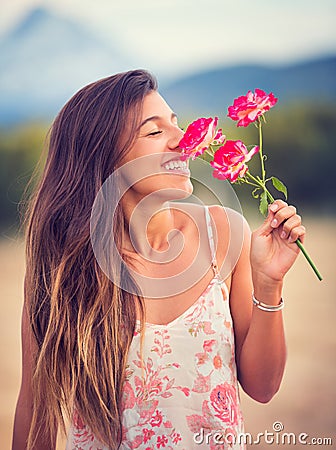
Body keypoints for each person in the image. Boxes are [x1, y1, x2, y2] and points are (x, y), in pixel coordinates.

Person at [12, 69, 305, 450]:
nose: (183, 142)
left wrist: (270, 283)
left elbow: (263, 388)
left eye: (176, 124)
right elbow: (37, 411)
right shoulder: (66, 270)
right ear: (103, 157)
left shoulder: (225, 233)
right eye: (154, 132)